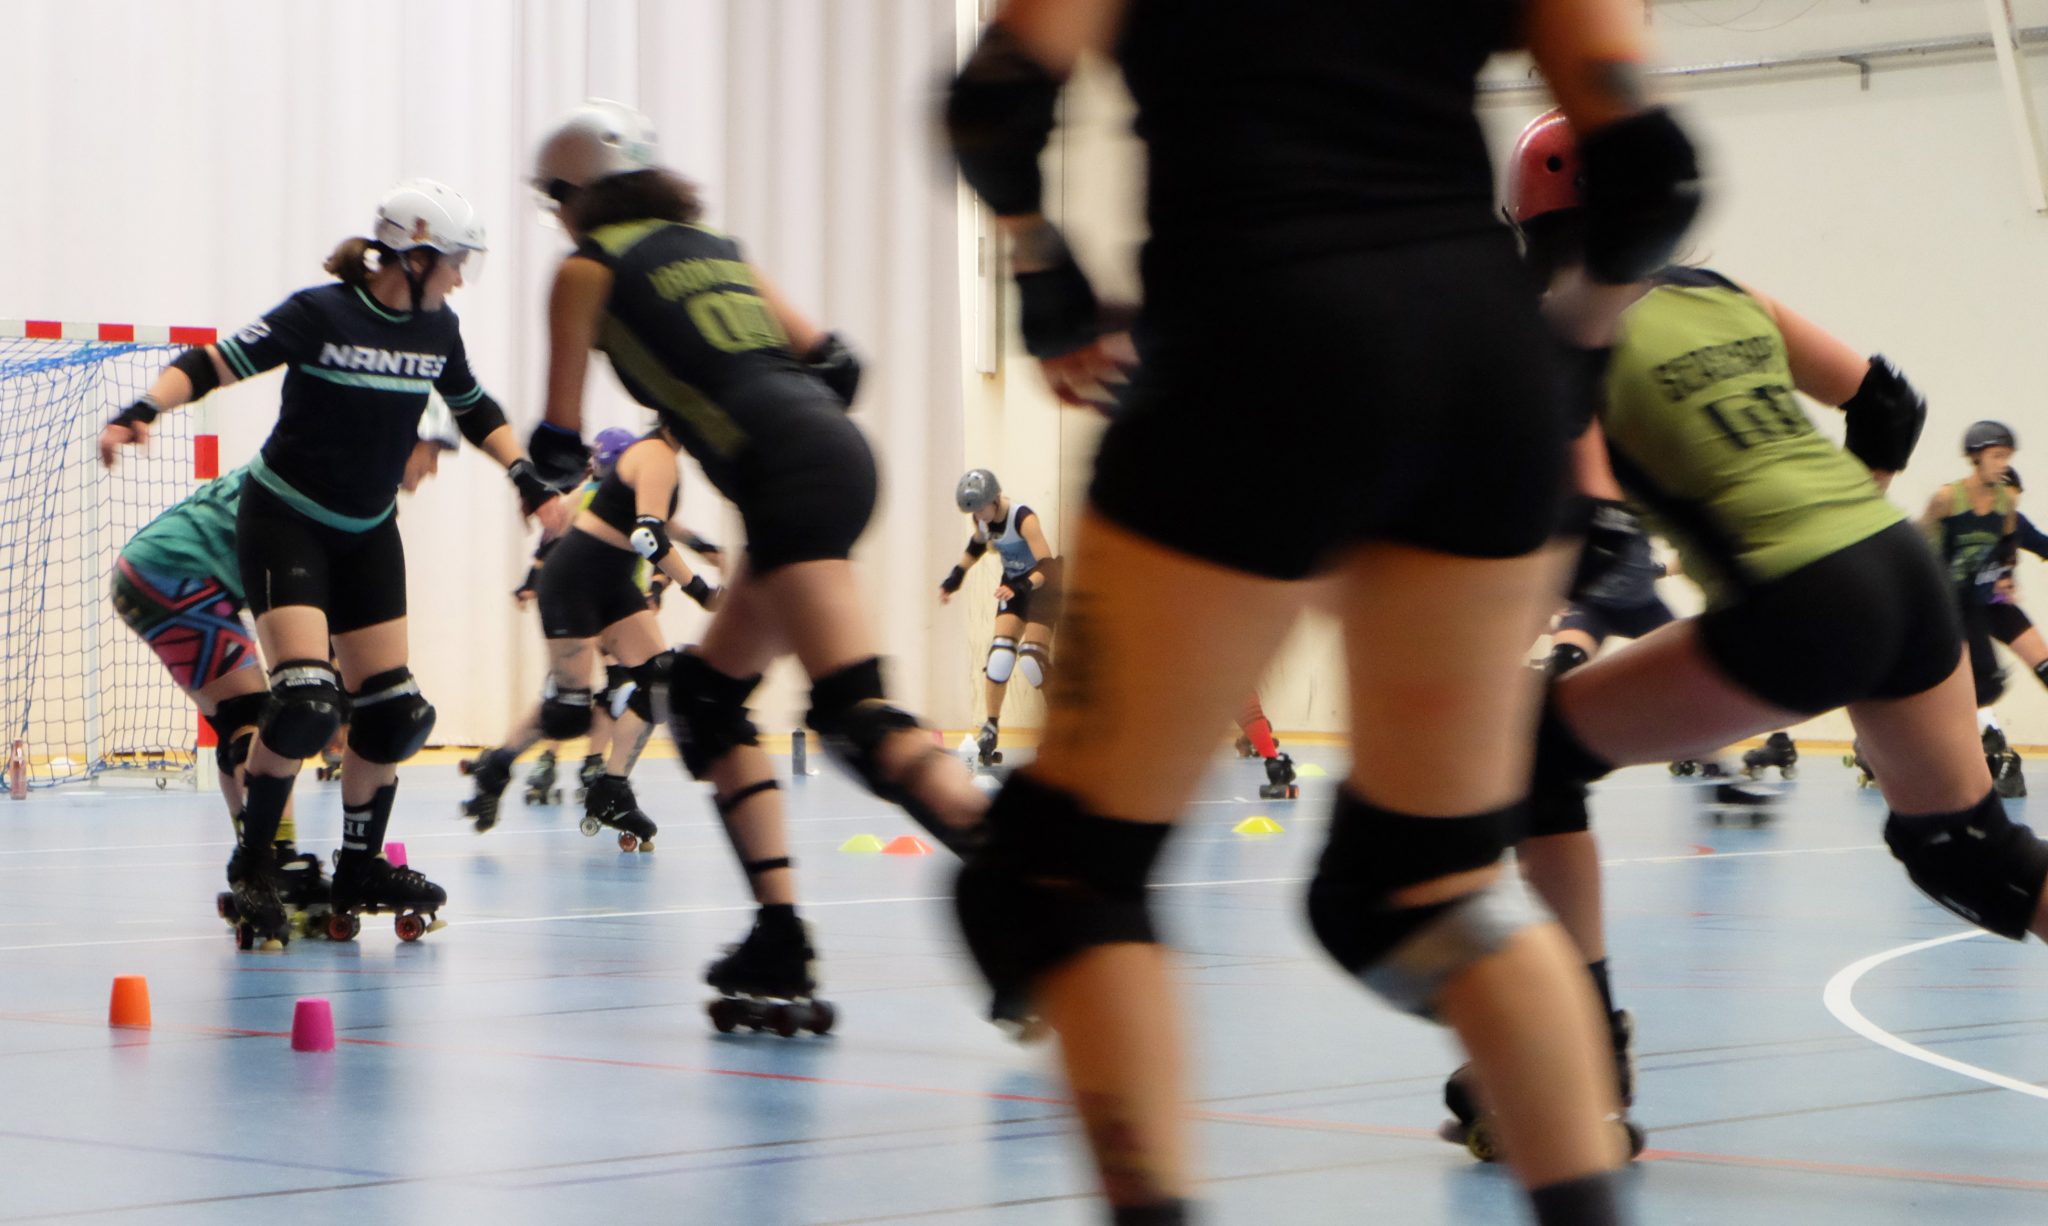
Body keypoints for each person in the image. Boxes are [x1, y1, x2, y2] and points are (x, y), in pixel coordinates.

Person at [943, 3, 1704, 1221]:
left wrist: (1043, 265)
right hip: (1478, 368)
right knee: (1422, 884)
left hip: (1259, 333)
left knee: (1058, 872)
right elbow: (1651, 166)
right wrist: (1565, 342)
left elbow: (993, 98)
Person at [1457, 108, 2048, 1157]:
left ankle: (1581, 1060)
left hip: (1803, 596)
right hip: (1895, 566)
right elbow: (1890, 406)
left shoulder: (1556, 334)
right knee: (1969, 853)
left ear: (1524, 224)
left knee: (1531, 756)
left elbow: (1591, 537)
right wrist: (1845, 521)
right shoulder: (1719, 291)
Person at [527, 100, 988, 1031]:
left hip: (786, 478)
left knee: (858, 719)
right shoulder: (713, 246)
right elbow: (840, 363)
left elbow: (556, 438)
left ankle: (1042, 890)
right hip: (832, 454)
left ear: (575, 195)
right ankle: (778, 933)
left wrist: (544, 489)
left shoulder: (586, 267)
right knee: (703, 699)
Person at [101, 179, 569, 946]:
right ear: (412, 255)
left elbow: (476, 406)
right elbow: (215, 362)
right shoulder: (320, 313)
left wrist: (527, 479)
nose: (458, 280)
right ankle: (257, 866)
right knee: (307, 702)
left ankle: (359, 865)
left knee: (394, 712)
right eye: (453, 263)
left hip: (365, 531)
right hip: (285, 519)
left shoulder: (438, 328)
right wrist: (143, 410)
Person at [109, 406, 460, 929]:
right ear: (395, 439)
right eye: (431, 452)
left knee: (300, 711)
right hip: (168, 574)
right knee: (256, 719)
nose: (431, 469)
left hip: (191, 577)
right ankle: (267, 862)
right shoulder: (321, 481)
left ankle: (283, 861)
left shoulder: (354, 492)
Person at [464, 426, 720, 837]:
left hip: (614, 585)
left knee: (659, 682)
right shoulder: (655, 455)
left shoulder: (654, 459)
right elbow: (649, 536)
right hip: (574, 584)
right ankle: (494, 769)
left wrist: (710, 553)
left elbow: (667, 526)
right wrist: (702, 590)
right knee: (569, 712)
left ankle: (612, 791)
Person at [1922, 423, 2031, 795]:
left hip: (1971, 602)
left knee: (1988, 681)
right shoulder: (1947, 498)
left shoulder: (2006, 502)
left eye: (2007, 458)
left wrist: (2005, 573)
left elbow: (2007, 539)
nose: (2003, 465)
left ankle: (1970, 749)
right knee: (1945, 679)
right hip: (1939, 600)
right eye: (1996, 456)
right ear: (1975, 458)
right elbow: (1921, 550)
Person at [939, 468, 1060, 767]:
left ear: (994, 499)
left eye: (982, 509)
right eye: (974, 512)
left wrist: (1020, 585)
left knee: (1032, 660)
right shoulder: (982, 519)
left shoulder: (1023, 519)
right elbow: (978, 544)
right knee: (1000, 656)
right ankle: (991, 727)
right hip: (1013, 588)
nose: (980, 517)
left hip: (1041, 587)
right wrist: (956, 576)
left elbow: (1048, 565)